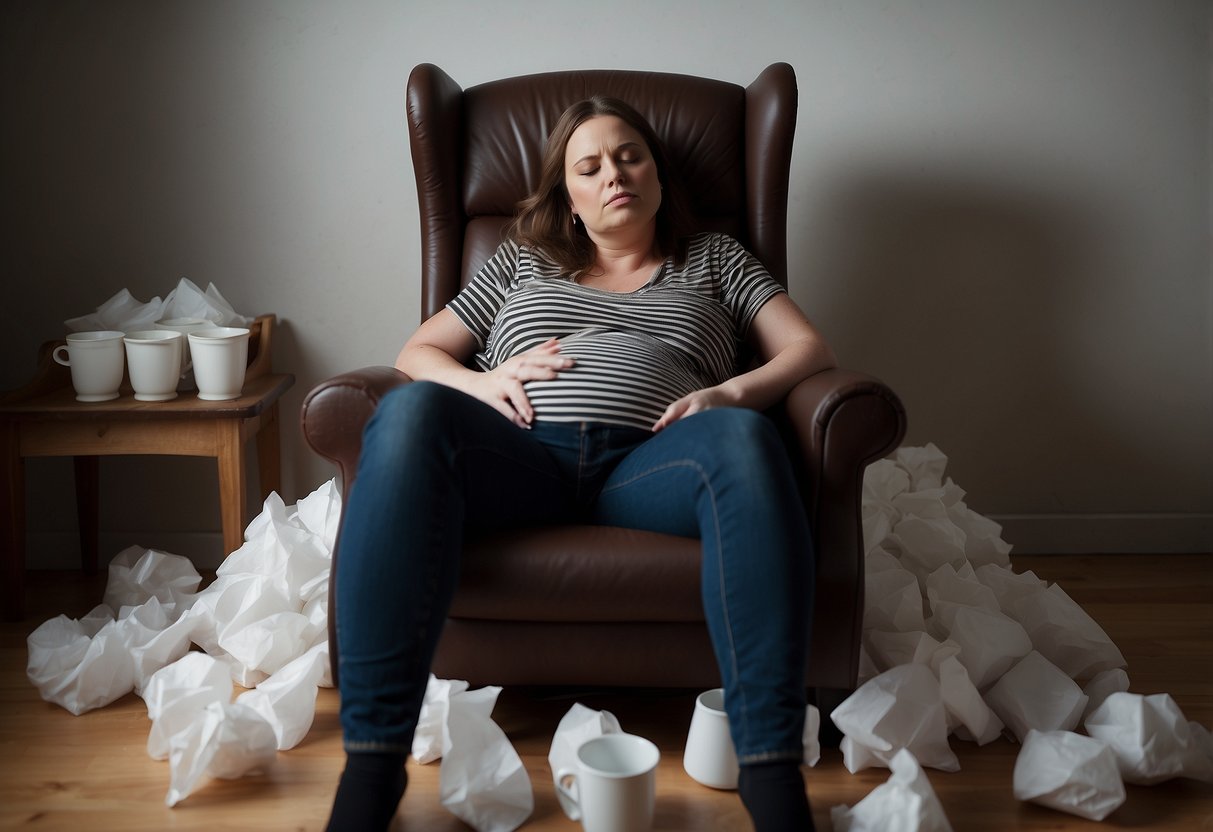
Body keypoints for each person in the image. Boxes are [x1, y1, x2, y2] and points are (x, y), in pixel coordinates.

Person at [326, 95, 837, 832]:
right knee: (406, 410)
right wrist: (481, 381)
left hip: (650, 464)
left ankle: (771, 781)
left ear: (658, 174)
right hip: (519, 457)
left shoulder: (717, 259)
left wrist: (727, 391)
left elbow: (807, 350)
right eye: (588, 166)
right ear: (568, 197)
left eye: (629, 156)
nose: (613, 174)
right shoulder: (520, 261)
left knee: (745, 437)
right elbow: (416, 353)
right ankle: (369, 771)